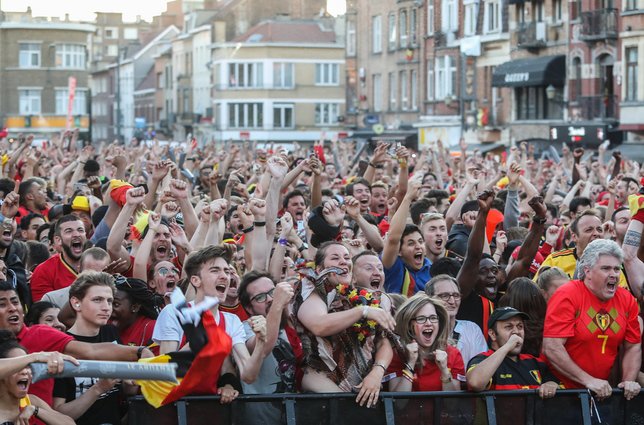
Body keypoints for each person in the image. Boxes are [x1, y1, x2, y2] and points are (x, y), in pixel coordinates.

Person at [0, 280, 153, 407]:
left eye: (15, 302)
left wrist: (139, 352)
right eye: (2, 304)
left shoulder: (40, 334)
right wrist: (33, 358)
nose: (12, 308)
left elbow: (91, 350)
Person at [295, 241, 396, 408]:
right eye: (335, 258)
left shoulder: (366, 298)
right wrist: (362, 311)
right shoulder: (313, 290)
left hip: (363, 385)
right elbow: (318, 325)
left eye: (347, 257)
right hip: (321, 385)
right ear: (320, 269)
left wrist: (377, 372)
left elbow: (383, 341)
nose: (343, 261)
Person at [543, 239, 641, 401]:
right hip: (561, 392)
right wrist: (588, 381)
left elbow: (633, 346)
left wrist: (628, 381)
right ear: (587, 271)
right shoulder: (567, 295)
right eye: (606, 268)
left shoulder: (626, 299)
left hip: (602, 392)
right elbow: (552, 347)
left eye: (617, 269)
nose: (614, 274)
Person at [52, 271, 124, 425]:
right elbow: (57, 412)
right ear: (76, 303)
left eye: (110, 301)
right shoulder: (62, 346)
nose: (106, 308)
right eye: (97, 300)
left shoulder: (110, 333)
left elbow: (127, 391)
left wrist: (131, 382)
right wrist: (97, 389)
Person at [237, 271, 300, 424]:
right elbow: (263, 348)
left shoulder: (297, 323)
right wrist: (278, 304)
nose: (270, 299)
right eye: (260, 297)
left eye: (273, 292)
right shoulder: (245, 328)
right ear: (249, 308)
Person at [467, 307, 560, 397]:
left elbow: (556, 382)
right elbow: (475, 383)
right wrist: (507, 346)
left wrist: (551, 384)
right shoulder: (483, 359)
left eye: (520, 326)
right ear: (493, 334)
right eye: (508, 327)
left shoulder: (535, 362)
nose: (516, 332)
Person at [388, 293, 465, 391]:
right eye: (421, 319)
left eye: (433, 318)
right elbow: (399, 405)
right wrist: (410, 363)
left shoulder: (453, 354)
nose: (428, 323)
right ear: (409, 325)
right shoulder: (397, 354)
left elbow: (452, 405)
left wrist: (444, 370)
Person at [0, 330, 75, 425]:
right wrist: (35, 357)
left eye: (28, 366)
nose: (25, 371)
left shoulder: (31, 401)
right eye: (18, 367)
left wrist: (35, 410)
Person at [425, 275, 487, 367]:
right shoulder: (424, 331)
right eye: (444, 296)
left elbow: (481, 368)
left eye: (456, 295)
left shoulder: (472, 329)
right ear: (429, 298)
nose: (452, 301)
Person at [30, 215, 87, 302]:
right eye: (69, 231)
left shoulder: (99, 263)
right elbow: (45, 312)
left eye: (80, 230)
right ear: (58, 240)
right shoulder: (43, 271)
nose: (76, 234)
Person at [111, 276, 160, 348]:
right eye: (108, 302)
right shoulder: (102, 325)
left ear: (135, 307)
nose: (108, 308)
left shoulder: (152, 329)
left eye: (115, 304)